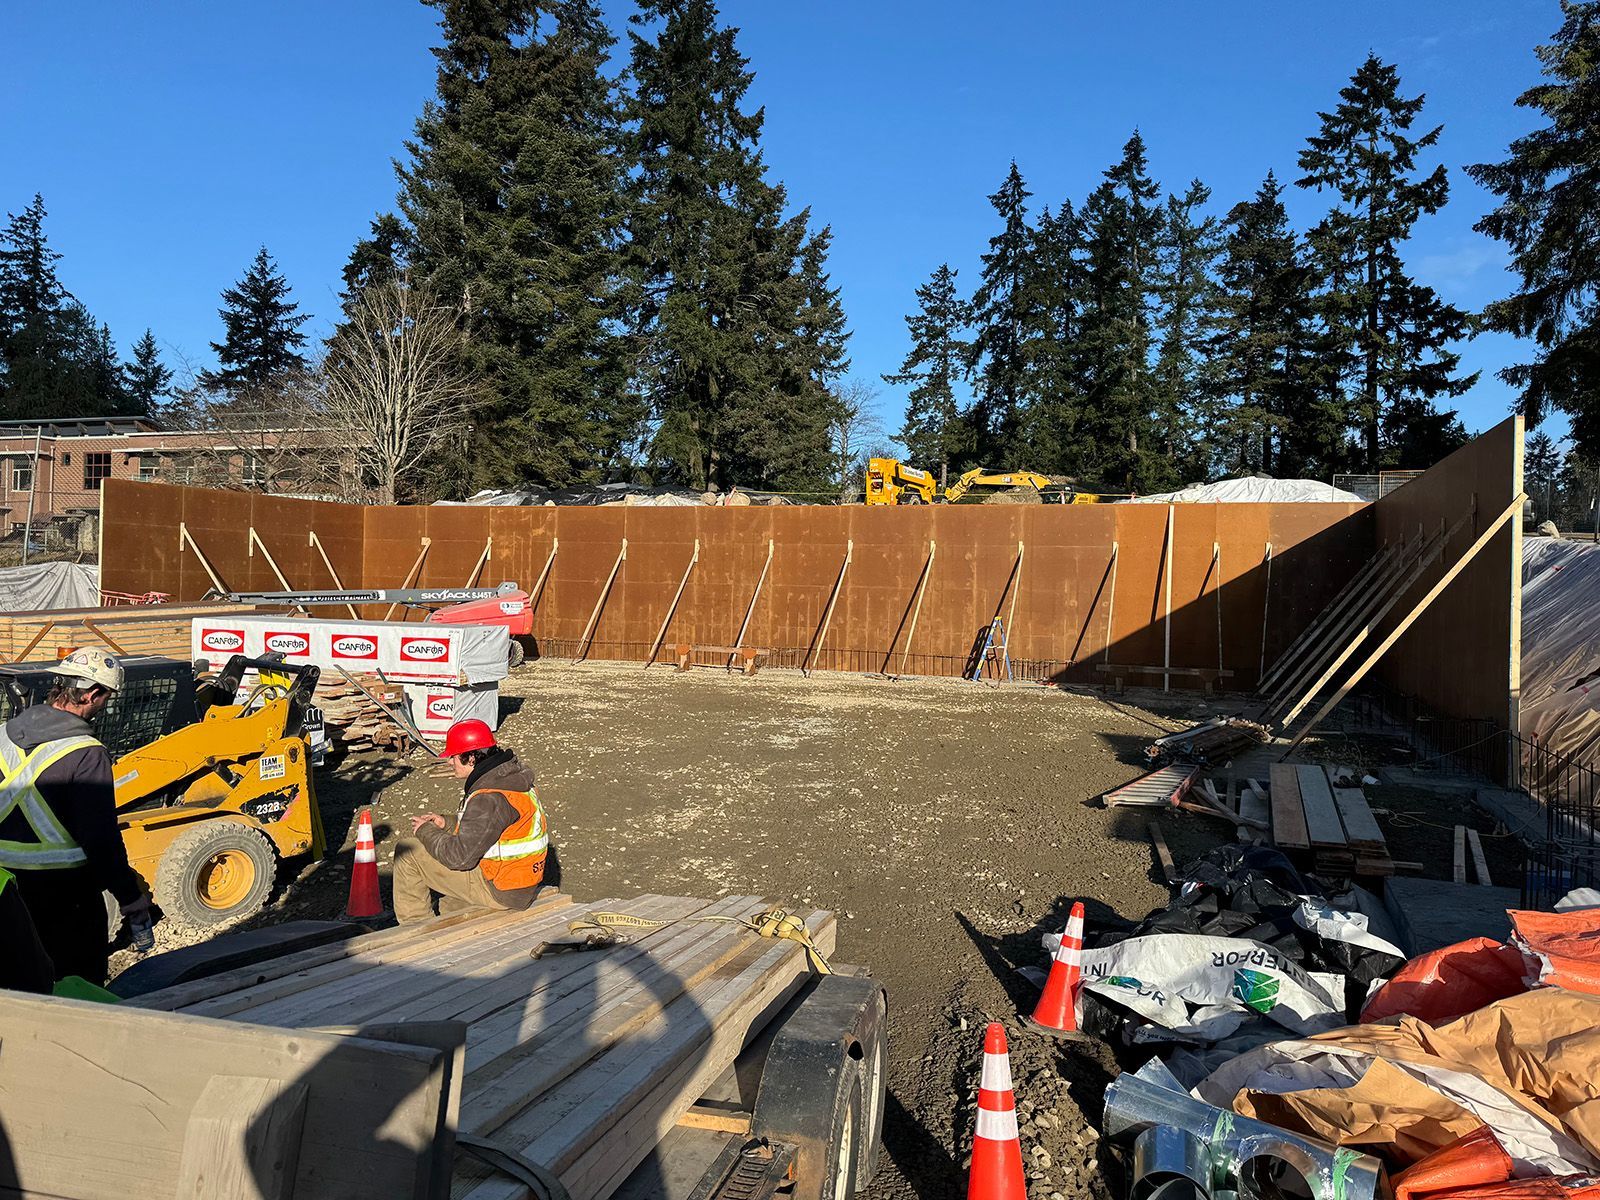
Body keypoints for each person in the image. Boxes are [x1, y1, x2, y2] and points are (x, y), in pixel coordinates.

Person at [0, 647, 151, 985]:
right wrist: (130, 897)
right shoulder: (86, 754)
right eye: (106, 698)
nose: (105, 705)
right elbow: (100, 838)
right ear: (93, 694)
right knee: (73, 986)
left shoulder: (2, 736)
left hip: (3, 888)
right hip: (62, 897)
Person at [392, 719, 549, 923]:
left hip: (501, 890)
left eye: (454, 757)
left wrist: (425, 831)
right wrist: (446, 824)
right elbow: (493, 827)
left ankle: (415, 928)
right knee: (449, 901)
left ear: (472, 757)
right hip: (522, 882)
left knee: (408, 851)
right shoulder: (513, 781)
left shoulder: (488, 796)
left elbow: (460, 858)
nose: (450, 762)